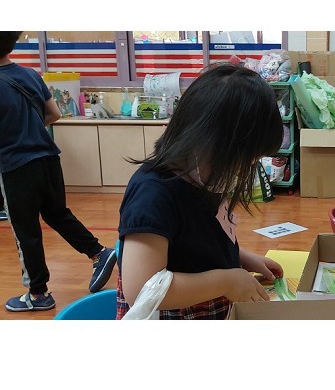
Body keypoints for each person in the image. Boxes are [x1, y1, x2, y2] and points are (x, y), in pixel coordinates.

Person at [117, 64, 284, 320]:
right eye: (246, 158)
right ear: (212, 143)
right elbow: (141, 290)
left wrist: (242, 258)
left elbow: (196, 245)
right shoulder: (153, 195)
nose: (248, 167)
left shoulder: (206, 177)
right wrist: (227, 281)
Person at [0, 31, 117, 312]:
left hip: (16, 166)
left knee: (26, 230)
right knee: (57, 214)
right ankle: (99, 253)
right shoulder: (29, 74)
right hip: (48, 158)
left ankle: (38, 294)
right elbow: (54, 113)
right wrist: (28, 131)